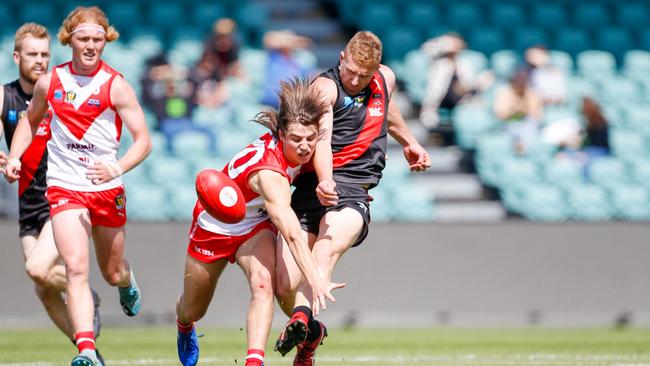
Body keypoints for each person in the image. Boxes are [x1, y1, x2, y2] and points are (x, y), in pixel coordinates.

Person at [4, 7, 152, 366]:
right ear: (70, 40)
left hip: (106, 188)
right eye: (83, 39)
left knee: (111, 270)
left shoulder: (115, 84)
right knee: (76, 267)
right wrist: (15, 156)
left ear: (106, 40)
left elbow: (143, 140)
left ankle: (126, 283)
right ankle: (86, 350)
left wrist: (115, 166)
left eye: (97, 39)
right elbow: (29, 121)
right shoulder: (50, 82)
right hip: (65, 188)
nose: (90, 46)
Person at [273, 31, 431, 365]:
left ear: (377, 68)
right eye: (351, 71)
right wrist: (325, 179)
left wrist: (409, 141)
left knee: (324, 251)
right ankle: (311, 332)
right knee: (284, 283)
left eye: (365, 75)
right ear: (342, 56)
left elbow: (387, 110)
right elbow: (324, 138)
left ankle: (301, 319)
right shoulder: (326, 88)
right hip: (312, 187)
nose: (356, 80)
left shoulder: (384, 78)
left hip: (353, 189)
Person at [175, 77, 344, 366]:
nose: (305, 147)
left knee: (263, 283)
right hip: (214, 224)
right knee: (193, 309)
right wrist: (315, 278)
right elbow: (291, 233)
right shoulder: (270, 173)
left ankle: (255, 361)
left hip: (253, 225)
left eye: (310, 139)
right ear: (281, 135)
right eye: (296, 140)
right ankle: (184, 326)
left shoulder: (309, 145)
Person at [0, 21, 102, 352]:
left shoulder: (61, 92)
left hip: (62, 196)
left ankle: (84, 292)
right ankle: (87, 348)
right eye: (32, 54)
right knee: (42, 286)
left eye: (45, 54)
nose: (40, 60)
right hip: (28, 204)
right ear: (17, 57)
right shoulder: (5, 96)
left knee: (37, 267)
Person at [419, 32, 494, 142]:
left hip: (464, 98)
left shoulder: (465, 63)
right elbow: (426, 51)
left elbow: (469, 84)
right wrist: (442, 44)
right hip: (442, 100)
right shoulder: (439, 64)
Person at [493, 69, 544, 153]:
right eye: (519, 80)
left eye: (523, 80)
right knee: (513, 127)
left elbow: (536, 115)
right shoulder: (504, 92)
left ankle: (524, 152)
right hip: (510, 123)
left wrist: (522, 111)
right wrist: (517, 113)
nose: (521, 83)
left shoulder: (531, 93)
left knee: (530, 128)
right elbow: (501, 114)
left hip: (527, 124)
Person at [260, 30, 314, 108]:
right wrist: (293, 41)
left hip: (292, 105)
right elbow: (268, 39)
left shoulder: (300, 60)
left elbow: (309, 44)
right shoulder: (274, 56)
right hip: (270, 103)